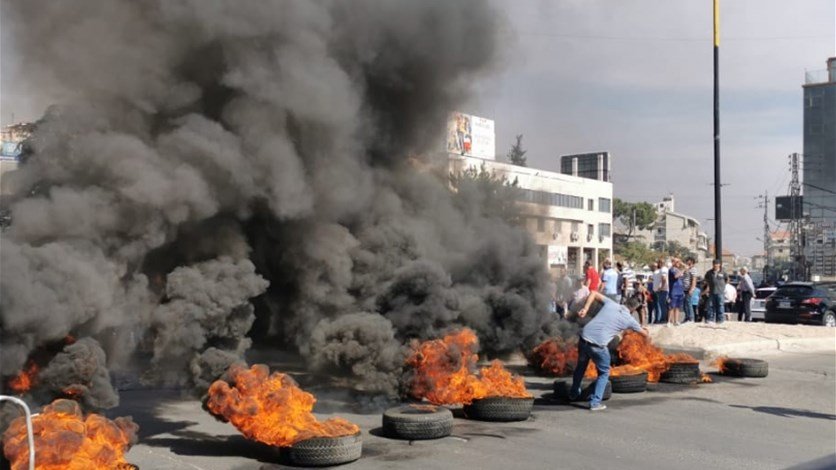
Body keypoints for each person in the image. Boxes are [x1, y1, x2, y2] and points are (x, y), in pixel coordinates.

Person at [570, 291, 649, 411]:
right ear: (633, 310)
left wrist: (585, 309)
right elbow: (645, 334)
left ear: (625, 302)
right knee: (604, 372)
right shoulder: (629, 319)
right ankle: (595, 403)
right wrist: (645, 329)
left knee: (581, 367)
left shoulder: (611, 304)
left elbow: (594, 293)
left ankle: (573, 393)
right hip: (597, 345)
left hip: (584, 338)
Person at [704, 259, 727, 324]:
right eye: (714, 264)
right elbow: (706, 279)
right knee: (710, 306)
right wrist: (709, 284)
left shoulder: (723, 272)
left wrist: (722, 286)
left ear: (719, 265)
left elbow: (726, 279)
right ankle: (710, 319)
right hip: (712, 291)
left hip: (720, 292)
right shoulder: (709, 272)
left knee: (720, 305)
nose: (715, 265)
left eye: (717, 264)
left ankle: (720, 320)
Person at [667, 258, 685, 326]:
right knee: (672, 306)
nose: (678, 263)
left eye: (679, 262)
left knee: (677, 307)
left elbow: (686, 268)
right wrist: (683, 270)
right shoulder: (672, 270)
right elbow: (676, 276)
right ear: (673, 262)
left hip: (680, 290)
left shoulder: (678, 269)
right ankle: (669, 321)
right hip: (674, 290)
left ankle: (676, 321)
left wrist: (682, 263)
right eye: (677, 262)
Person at [652, 259, 669, 324]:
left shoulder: (663, 269)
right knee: (661, 305)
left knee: (662, 305)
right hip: (662, 290)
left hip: (663, 290)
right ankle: (661, 319)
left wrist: (661, 287)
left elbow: (664, 279)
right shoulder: (662, 270)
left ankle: (663, 319)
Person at [681, 257, 698, 324]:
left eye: (689, 262)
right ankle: (687, 317)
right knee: (685, 304)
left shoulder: (693, 269)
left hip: (689, 289)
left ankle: (691, 318)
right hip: (684, 289)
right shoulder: (687, 269)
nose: (688, 263)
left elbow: (694, 279)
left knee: (688, 304)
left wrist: (692, 288)